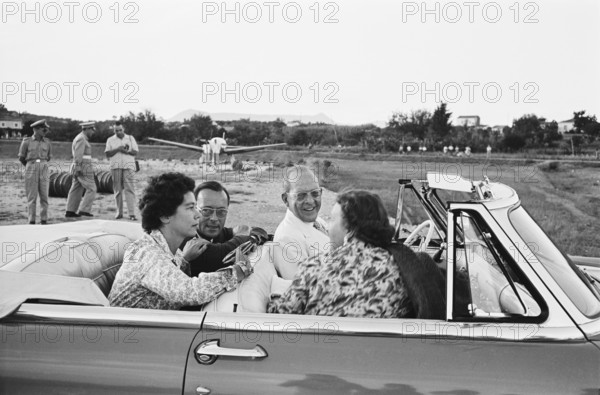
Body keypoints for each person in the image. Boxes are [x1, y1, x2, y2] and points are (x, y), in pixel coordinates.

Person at [108, 173, 253, 310]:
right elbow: (191, 291)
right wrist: (237, 272)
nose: (198, 215)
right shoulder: (147, 254)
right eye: (190, 208)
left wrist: (184, 261)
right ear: (165, 216)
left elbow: (169, 278)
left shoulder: (169, 250)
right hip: (120, 334)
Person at [267, 190, 413, 318]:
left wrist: (276, 294)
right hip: (383, 349)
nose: (329, 228)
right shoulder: (404, 270)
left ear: (349, 228)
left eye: (332, 220)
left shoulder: (314, 268)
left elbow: (279, 318)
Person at [182, 181, 268, 277]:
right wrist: (244, 235)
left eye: (221, 212)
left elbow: (261, 233)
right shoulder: (184, 239)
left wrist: (251, 236)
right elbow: (221, 255)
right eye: (206, 211)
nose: (214, 218)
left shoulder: (216, 233)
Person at [273, 165, 330, 276]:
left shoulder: (318, 221)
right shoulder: (286, 240)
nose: (309, 201)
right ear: (286, 199)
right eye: (301, 196)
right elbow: (302, 288)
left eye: (315, 193)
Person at [17, 119, 52, 224]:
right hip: (31, 167)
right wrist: (30, 166)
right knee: (32, 196)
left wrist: (41, 164)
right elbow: (21, 157)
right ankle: (31, 220)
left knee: (44, 196)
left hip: (44, 167)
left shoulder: (47, 142)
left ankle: (44, 220)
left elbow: (49, 157)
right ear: (36, 129)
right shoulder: (26, 141)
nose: (45, 130)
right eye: (43, 128)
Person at [105, 121, 138, 220]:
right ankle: (119, 212)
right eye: (116, 130)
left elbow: (135, 152)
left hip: (128, 166)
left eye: (120, 130)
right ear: (114, 130)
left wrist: (126, 151)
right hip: (115, 166)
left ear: (123, 129)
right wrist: (118, 149)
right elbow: (107, 154)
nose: (118, 132)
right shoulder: (110, 140)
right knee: (117, 190)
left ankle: (132, 213)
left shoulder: (130, 138)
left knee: (130, 189)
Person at [65, 122, 97, 218]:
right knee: (92, 188)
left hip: (81, 166)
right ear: (87, 129)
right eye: (92, 130)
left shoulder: (80, 138)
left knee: (76, 188)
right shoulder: (81, 139)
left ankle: (70, 211)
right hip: (83, 167)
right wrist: (78, 167)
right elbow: (78, 155)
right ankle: (84, 210)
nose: (93, 132)